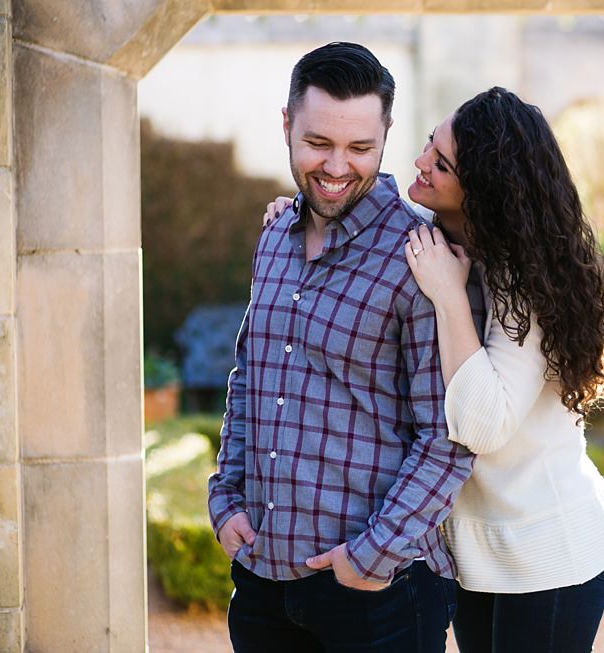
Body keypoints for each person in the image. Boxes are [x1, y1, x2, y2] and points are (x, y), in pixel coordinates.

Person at [265, 86, 604, 653]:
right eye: (429, 144)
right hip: (474, 553)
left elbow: (482, 427)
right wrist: (297, 214)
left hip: (546, 551)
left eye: (441, 162)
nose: (420, 162)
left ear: (482, 188)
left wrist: (450, 299)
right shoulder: (444, 243)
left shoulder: (520, 280)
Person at [208, 42, 485, 653]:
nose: (337, 167)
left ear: (387, 132)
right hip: (261, 579)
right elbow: (251, 380)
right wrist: (224, 499)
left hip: (379, 595)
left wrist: (372, 556)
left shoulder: (423, 257)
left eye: (361, 148)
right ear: (286, 125)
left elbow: (451, 434)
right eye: (318, 144)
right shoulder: (275, 237)